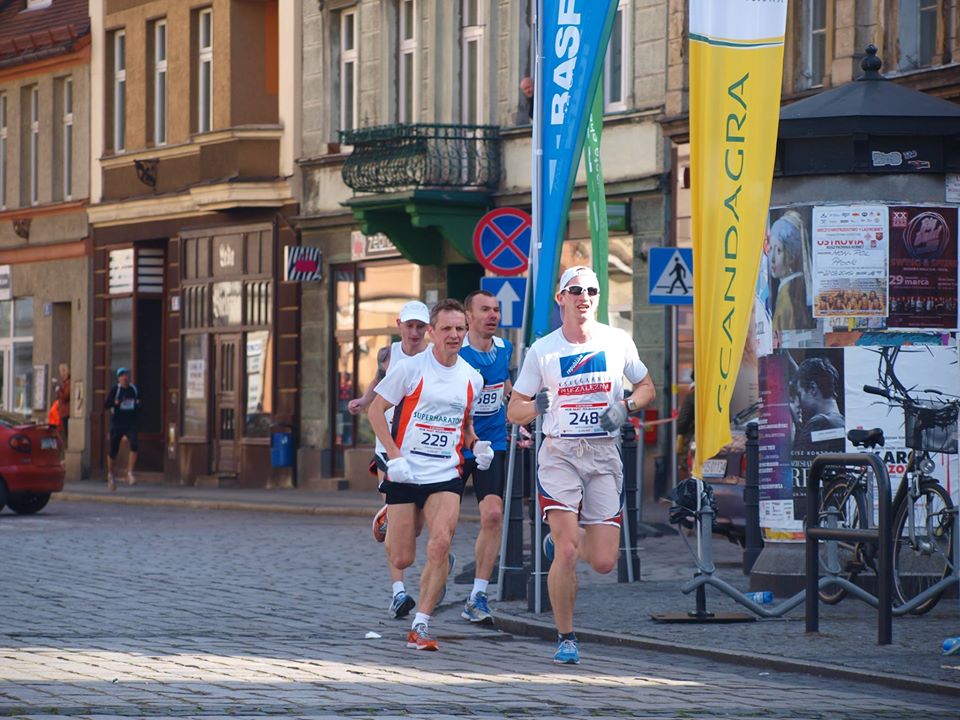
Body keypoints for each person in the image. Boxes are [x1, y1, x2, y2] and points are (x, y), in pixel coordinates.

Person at [507, 266, 655, 664]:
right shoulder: (543, 350)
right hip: (560, 455)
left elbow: (647, 388)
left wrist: (626, 406)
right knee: (569, 552)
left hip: (604, 454)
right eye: (575, 290)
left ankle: (560, 539)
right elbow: (514, 409)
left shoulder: (617, 341)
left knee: (605, 561)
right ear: (561, 299)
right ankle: (566, 637)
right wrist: (535, 406)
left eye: (591, 290)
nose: (584, 297)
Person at [368, 298, 489, 651]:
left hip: (445, 473)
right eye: (446, 328)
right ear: (432, 332)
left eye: (460, 329)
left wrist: (477, 445)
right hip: (405, 471)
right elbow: (375, 411)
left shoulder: (472, 378)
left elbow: (465, 425)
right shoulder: (410, 369)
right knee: (402, 557)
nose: (454, 335)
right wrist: (394, 456)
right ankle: (388, 514)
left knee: (441, 543)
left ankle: (420, 625)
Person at [348, 300, 432, 620]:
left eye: (420, 327)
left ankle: (433, 554)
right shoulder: (388, 354)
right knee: (398, 523)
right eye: (409, 326)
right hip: (388, 447)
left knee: (415, 526)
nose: (415, 332)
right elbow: (378, 383)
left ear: (428, 329)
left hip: (421, 449)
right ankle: (398, 593)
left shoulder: (435, 356)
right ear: (399, 325)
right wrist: (364, 400)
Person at [458, 289, 513, 625]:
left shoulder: (505, 349)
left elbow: (504, 383)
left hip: (492, 443)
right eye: (485, 310)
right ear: (469, 317)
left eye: (496, 309)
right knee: (439, 525)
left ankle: (477, 595)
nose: (493, 315)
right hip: (454, 445)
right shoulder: (456, 353)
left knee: (493, 515)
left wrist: (517, 403)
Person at [768, 211, 815, 335]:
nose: (772, 258)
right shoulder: (795, 286)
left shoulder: (787, 297)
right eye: (770, 248)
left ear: (792, 256)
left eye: (779, 250)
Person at [792, 356, 845, 453]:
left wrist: (794, 428)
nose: (799, 402)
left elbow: (796, 458)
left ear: (813, 388)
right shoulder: (842, 422)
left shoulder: (820, 423)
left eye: (800, 394)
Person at [104, 367, 141, 491]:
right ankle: (111, 474)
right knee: (113, 450)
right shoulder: (116, 389)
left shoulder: (133, 389)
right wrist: (115, 403)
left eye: (126, 375)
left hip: (131, 423)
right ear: (118, 379)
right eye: (122, 376)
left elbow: (139, 402)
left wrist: (138, 404)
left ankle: (130, 473)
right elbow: (106, 405)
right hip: (118, 423)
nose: (125, 378)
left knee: (134, 445)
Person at [53, 363, 71, 450]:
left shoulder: (69, 383)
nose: (61, 374)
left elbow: (65, 396)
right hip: (63, 413)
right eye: (60, 372)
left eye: (63, 371)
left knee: (67, 434)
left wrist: (58, 390)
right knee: (64, 435)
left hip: (66, 413)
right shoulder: (64, 383)